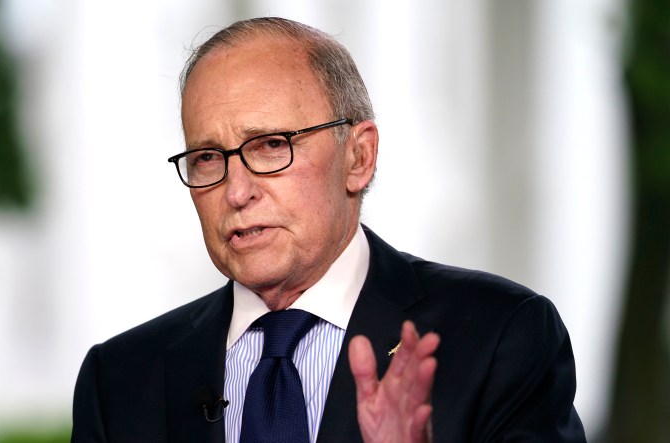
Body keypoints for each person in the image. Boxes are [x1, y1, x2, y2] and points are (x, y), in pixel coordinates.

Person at [72, 17, 586, 442]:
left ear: (358, 157)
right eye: (209, 158)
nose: (236, 191)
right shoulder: (118, 382)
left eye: (271, 146)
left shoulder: (499, 338)